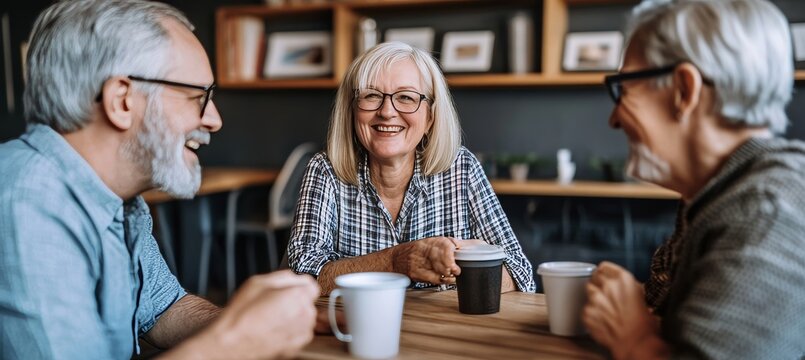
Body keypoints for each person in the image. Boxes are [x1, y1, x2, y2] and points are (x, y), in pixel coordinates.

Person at [0, 1, 326, 358]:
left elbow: (164, 308)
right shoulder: (28, 200)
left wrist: (261, 322)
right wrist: (235, 340)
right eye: (197, 96)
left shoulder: (119, 200)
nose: (214, 119)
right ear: (121, 101)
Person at [581, 0, 805, 358]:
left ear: (684, 89)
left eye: (624, 89)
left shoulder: (765, 210)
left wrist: (634, 339)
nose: (614, 119)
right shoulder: (717, 195)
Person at [287, 42, 536, 295]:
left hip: (439, 331)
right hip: (354, 329)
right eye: (371, 95)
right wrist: (397, 261)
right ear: (352, 110)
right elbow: (302, 278)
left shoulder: (462, 168)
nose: (386, 112)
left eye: (406, 97)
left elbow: (521, 274)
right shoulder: (325, 170)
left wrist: (459, 261)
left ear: (430, 117)